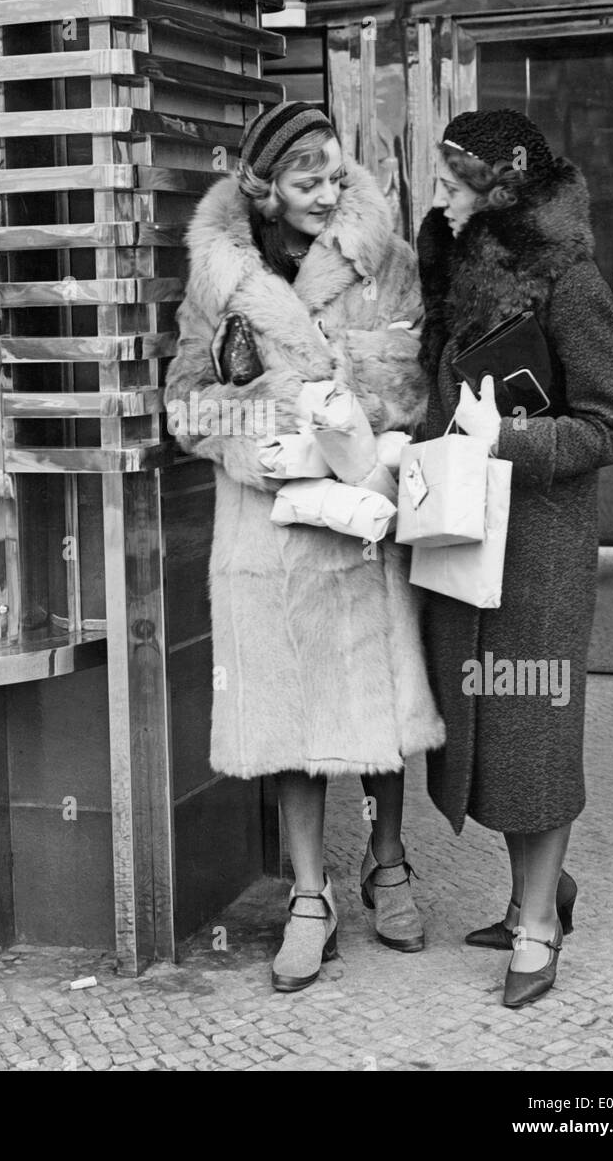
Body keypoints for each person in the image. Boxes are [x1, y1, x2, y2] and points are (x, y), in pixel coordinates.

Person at [165, 101, 445, 991]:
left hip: (360, 512)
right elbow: (185, 402)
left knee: (381, 703)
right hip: (266, 523)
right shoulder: (217, 277)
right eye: (304, 180)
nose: (327, 193)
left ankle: (389, 864)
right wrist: (265, 433)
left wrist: (346, 399)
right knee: (288, 716)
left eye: (334, 173)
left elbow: (415, 382)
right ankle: (308, 898)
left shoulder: (384, 257)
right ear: (262, 187)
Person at [417, 109, 613, 1008]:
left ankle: (536, 924)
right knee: (495, 737)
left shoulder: (568, 279)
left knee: (534, 734)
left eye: (449, 181)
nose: (433, 197)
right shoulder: (459, 271)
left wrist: (504, 436)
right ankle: (533, 896)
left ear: (499, 184)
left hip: (539, 545)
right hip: (466, 536)